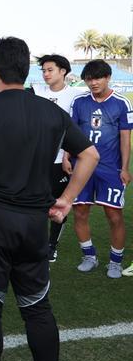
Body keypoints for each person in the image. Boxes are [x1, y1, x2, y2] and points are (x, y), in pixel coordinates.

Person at [0, 37, 98, 361]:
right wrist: (66, 200)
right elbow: (90, 155)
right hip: (34, 225)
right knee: (37, 307)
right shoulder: (51, 112)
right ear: (26, 70)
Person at [70, 59, 132, 278]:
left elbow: (125, 139)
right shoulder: (79, 102)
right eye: (89, 79)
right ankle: (89, 256)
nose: (93, 83)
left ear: (108, 77)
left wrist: (124, 168)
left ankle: (115, 262)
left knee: (114, 215)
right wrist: (67, 157)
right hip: (81, 167)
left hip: (110, 168)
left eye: (97, 78)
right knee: (80, 211)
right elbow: (72, 133)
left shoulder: (121, 103)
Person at [32, 54, 84, 262]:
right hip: (36, 160)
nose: (46, 74)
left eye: (50, 70)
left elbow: (77, 129)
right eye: (43, 70)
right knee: (34, 202)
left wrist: (68, 156)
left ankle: (52, 245)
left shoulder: (76, 96)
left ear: (63, 71)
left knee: (58, 204)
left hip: (61, 160)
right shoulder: (36, 92)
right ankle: (35, 242)